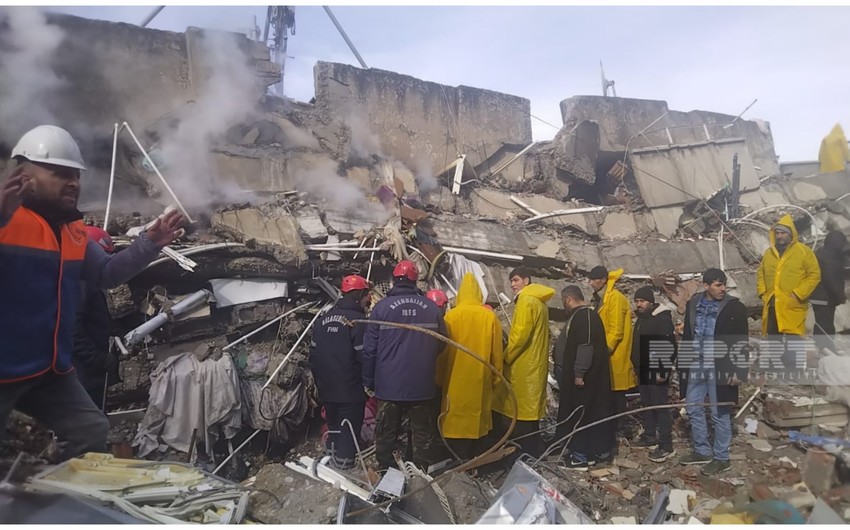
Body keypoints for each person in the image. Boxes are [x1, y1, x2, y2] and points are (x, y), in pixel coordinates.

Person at [0, 125, 184, 461]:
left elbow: (106, 274)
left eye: (76, 175)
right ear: (24, 174)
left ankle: (54, 497)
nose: (73, 182)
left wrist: (150, 244)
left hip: (48, 369)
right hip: (4, 369)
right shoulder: (7, 219)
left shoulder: (73, 230)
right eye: (60, 174)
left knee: (89, 430)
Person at [362, 260, 447, 469]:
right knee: (421, 432)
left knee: (386, 431)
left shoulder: (381, 308)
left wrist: (369, 380)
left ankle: (386, 470)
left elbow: (369, 349)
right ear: (414, 280)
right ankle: (420, 472)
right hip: (422, 385)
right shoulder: (431, 308)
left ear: (395, 279)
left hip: (389, 385)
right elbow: (442, 343)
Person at [679, 268, 749, 476]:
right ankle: (702, 450)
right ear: (706, 285)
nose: (723, 289)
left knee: (720, 413)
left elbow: (741, 340)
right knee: (693, 407)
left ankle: (721, 458)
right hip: (697, 363)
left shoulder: (734, 307)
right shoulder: (694, 304)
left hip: (720, 365)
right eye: (718, 285)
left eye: (724, 284)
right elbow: (688, 336)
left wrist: (739, 371)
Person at [437, 273, 504, 460]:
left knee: (454, 420)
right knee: (477, 423)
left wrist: (439, 378)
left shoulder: (451, 316)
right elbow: (496, 354)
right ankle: (475, 460)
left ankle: (455, 459)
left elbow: (442, 353)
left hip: (454, 379)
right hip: (480, 380)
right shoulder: (489, 317)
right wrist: (496, 378)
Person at [309, 274, 371, 469]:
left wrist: (320, 382)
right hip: (350, 389)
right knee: (348, 429)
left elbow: (313, 356)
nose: (368, 301)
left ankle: (331, 460)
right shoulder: (359, 322)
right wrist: (369, 382)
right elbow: (364, 357)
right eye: (366, 296)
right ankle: (344, 471)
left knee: (334, 425)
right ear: (358, 295)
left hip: (326, 388)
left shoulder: (322, 320)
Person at [491, 267, 555, 458]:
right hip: (535, 366)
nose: (512, 285)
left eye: (516, 280)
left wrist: (505, 357)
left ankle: (527, 453)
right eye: (511, 281)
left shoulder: (526, 301)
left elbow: (520, 336)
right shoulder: (540, 303)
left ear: (527, 280)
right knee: (531, 413)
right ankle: (535, 450)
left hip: (524, 367)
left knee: (522, 412)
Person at [554, 285, 615, 469]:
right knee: (586, 414)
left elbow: (585, 347)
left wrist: (579, 373)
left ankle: (580, 457)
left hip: (582, 380)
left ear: (568, 299)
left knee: (580, 414)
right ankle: (589, 454)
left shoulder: (585, 317)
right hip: (582, 378)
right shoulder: (585, 316)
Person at [757, 215, 820, 368]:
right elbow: (761, 274)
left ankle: (794, 371)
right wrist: (763, 294)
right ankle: (776, 370)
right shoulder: (768, 253)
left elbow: (814, 275)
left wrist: (798, 293)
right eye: (777, 233)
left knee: (794, 339)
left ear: (791, 233)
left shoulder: (803, 252)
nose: (779, 236)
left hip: (793, 304)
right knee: (774, 338)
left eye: (783, 233)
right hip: (772, 304)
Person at [71, 225, 121, 410]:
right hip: (83, 369)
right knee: (89, 414)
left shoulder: (85, 281)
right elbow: (72, 332)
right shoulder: (80, 286)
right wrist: (99, 359)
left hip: (87, 365)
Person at [589, 266, 637, 438]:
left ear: (603, 280)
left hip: (614, 356)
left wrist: (604, 351)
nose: (591, 283)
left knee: (617, 398)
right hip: (608, 356)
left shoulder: (615, 298)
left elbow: (616, 331)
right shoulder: (603, 299)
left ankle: (621, 430)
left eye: (594, 279)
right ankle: (613, 429)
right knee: (610, 396)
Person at [630, 286, 677, 463]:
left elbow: (669, 346)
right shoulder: (642, 319)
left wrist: (663, 370)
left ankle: (666, 445)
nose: (639, 304)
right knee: (646, 403)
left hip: (656, 370)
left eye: (642, 301)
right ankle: (650, 435)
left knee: (659, 406)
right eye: (637, 301)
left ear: (651, 302)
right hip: (643, 369)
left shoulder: (662, 320)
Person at [810, 230, 848, 354]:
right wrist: (840, 297)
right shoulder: (829, 258)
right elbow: (831, 279)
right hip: (824, 297)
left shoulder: (824, 253)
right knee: (825, 325)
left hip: (821, 297)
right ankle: (825, 349)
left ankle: (822, 348)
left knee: (822, 323)